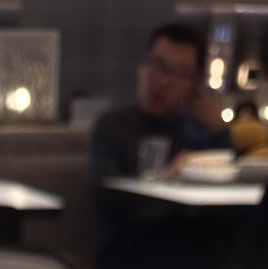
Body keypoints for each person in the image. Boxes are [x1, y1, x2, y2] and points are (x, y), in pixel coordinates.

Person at [90, 24, 229, 180]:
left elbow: (228, 183)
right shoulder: (113, 127)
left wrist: (220, 130)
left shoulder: (198, 134)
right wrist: (167, 177)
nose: (163, 81)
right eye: (158, 66)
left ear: (195, 84)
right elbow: (104, 190)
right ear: (142, 67)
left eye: (180, 73)